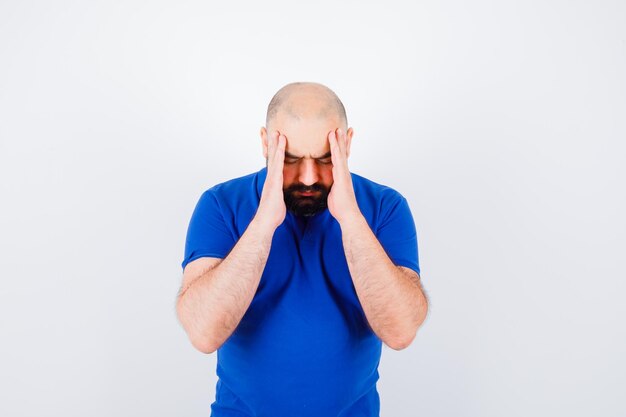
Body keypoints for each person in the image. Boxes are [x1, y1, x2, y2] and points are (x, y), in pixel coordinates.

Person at [176, 81, 429, 417]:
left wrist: (351, 219)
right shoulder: (221, 205)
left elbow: (400, 331)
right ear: (266, 144)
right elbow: (203, 333)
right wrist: (263, 223)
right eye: (291, 159)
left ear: (347, 144)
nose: (308, 177)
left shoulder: (385, 207)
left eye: (325, 159)